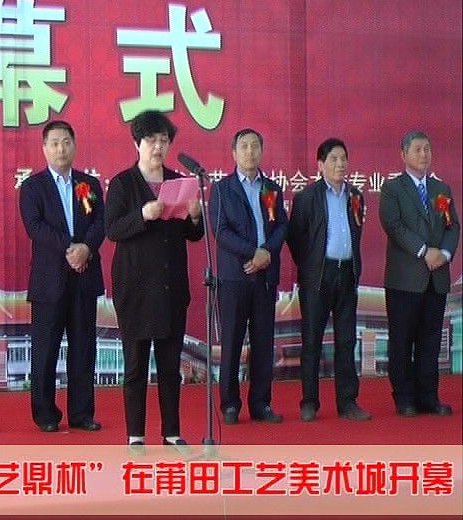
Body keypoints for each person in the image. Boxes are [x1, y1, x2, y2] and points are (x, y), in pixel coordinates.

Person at [105, 110, 203, 447]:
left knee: (169, 366)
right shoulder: (122, 183)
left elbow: (192, 235)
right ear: (137, 143)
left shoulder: (178, 182)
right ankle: (135, 435)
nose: (158, 147)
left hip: (170, 288)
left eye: (163, 140)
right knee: (135, 367)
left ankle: (171, 433)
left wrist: (194, 217)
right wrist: (142, 215)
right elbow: (112, 229)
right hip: (135, 289)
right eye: (151, 140)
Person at [19, 120, 105, 433]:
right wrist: (71, 248)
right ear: (44, 148)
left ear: (74, 145)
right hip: (49, 281)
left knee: (83, 349)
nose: (61, 149)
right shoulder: (33, 187)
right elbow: (35, 226)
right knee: (45, 351)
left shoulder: (90, 184)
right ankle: (45, 414)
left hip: (84, 277)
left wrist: (86, 248)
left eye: (66, 142)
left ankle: (82, 413)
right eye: (54, 143)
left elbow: (100, 222)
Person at [287, 138, 371, 422]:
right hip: (317, 278)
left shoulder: (355, 195)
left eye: (343, 158)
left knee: (346, 341)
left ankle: (347, 402)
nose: (340, 164)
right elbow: (295, 238)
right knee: (312, 341)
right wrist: (310, 266)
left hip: (346, 273)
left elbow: (356, 233)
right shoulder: (306, 197)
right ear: (320, 165)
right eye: (334, 159)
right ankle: (309, 401)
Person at [209, 128, 287, 425]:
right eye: (244, 146)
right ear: (234, 153)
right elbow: (221, 231)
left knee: (263, 342)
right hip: (234, 276)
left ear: (262, 151)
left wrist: (266, 252)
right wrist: (252, 253)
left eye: (255, 146)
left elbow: (281, 225)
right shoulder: (222, 189)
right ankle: (230, 404)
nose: (250, 152)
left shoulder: (272, 188)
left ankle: (261, 403)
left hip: (265, 276)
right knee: (231, 342)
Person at [379, 130, 459, 417]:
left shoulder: (441, 189)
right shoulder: (392, 189)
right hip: (404, 279)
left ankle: (429, 396)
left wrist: (444, 254)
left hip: (436, 278)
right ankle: (404, 397)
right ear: (403, 155)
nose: (424, 154)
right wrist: (424, 251)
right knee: (402, 340)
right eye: (418, 149)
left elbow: (452, 226)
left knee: (430, 340)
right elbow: (393, 225)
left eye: (427, 149)